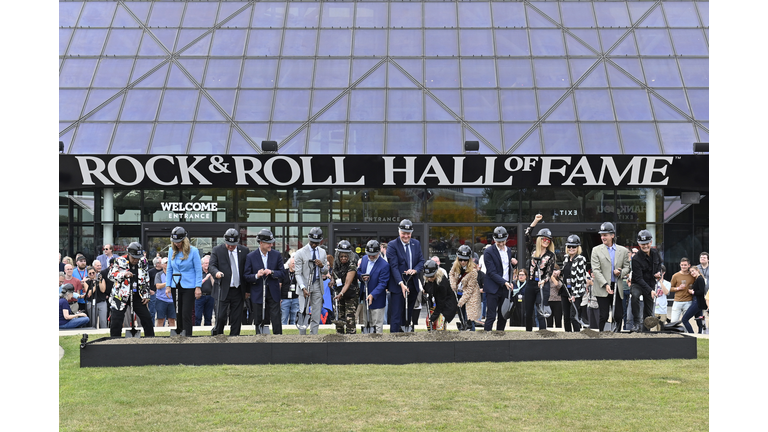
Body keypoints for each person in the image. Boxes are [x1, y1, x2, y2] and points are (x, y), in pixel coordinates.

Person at [107, 242, 155, 337]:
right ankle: (114, 342)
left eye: (138, 257)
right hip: (120, 296)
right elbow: (111, 275)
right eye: (133, 257)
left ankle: (151, 340)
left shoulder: (143, 261)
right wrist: (123, 274)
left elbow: (146, 278)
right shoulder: (119, 261)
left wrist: (146, 295)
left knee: (147, 318)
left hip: (137, 295)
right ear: (128, 254)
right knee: (116, 320)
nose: (136, 260)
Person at [590, 221, 631, 332]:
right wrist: (605, 284)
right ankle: (601, 337)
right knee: (603, 315)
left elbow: (627, 267)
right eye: (602, 235)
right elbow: (596, 270)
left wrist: (620, 272)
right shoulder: (596, 250)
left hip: (617, 286)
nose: (603, 237)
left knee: (618, 315)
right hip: (602, 287)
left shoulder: (622, 251)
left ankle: (616, 336)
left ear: (612, 235)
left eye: (605, 235)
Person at [209, 228, 250, 335]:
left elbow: (247, 270)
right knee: (221, 316)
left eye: (233, 244)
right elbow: (212, 265)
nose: (231, 246)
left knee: (236, 317)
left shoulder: (244, 251)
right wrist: (216, 273)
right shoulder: (217, 250)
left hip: (238, 290)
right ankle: (218, 336)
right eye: (228, 244)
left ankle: (234, 338)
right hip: (222, 288)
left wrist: (247, 290)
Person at [386, 219, 425, 333]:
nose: (406, 236)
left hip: (412, 283)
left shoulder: (416, 244)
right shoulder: (392, 245)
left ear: (411, 233)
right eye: (403, 233)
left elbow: (421, 261)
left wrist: (415, 270)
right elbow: (393, 266)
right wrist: (401, 284)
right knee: (397, 314)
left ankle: (406, 339)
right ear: (399, 232)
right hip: (398, 285)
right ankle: (394, 338)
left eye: (408, 233)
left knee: (408, 313)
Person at [245, 229, 285, 334]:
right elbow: (246, 276)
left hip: (273, 291)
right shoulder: (251, 256)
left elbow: (282, 273)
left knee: (276, 317)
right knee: (258, 317)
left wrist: (272, 272)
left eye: (271, 243)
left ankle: (278, 338)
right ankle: (259, 338)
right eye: (268, 243)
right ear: (261, 243)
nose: (271, 245)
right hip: (258, 292)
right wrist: (257, 275)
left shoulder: (276, 255)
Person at [166, 226, 202, 337]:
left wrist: (198, 287)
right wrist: (168, 286)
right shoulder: (171, 250)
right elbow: (169, 269)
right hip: (175, 285)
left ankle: (188, 336)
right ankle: (179, 334)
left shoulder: (193, 251)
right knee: (178, 312)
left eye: (179, 242)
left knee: (186, 313)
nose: (177, 244)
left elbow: (198, 270)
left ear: (184, 240)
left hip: (189, 286)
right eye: (175, 242)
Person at [523, 216, 557, 331]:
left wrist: (543, 281)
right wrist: (536, 221)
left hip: (542, 285)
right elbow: (526, 234)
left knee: (540, 311)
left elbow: (549, 272)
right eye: (544, 239)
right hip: (531, 284)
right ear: (539, 239)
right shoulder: (533, 250)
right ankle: (528, 333)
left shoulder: (551, 255)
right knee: (528, 312)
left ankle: (543, 333)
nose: (546, 241)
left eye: (548, 240)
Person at [293, 227, 329, 335]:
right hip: (304, 285)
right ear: (309, 239)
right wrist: (303, 287)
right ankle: (302, 337)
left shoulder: (322, 252)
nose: (314, 244)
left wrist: (322, 266)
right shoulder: (300, 253)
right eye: (313, 242)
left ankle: (314, 336)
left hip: (317, 284)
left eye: (317, 242)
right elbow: (297, 273)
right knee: (303, 311)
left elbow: (326, 270)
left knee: (316, 313)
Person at [482, 226, 515, 331]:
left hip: (505, 288)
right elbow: (491, 272)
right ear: (494, 239)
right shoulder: (488, 252)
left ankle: (500, 336)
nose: (501, 243)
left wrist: (510, 281)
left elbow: (507, 268)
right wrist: (504, 282)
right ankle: (486, 338)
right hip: (493, 288)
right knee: (491, 316)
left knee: (503, 315)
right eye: (498, 241)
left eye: (503, 241)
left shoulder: (509, 251)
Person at [630, 230, 663, 332]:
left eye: (647, 243)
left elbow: (659, 266)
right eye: (642, 244)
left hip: (650, 283)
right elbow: (639, 279)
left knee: (648, 310)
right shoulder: (635, 259)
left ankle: (646, 330)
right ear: (639, 244)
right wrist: (650, 290)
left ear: (651, 242)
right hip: (638, 284)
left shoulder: (655, 253)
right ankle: (636, 322)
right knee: (635, 296)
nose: (645, 246)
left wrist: (658, 274)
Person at [357, 240, 390, 333]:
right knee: (366, 322)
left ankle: (377, 344)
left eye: (374, 255)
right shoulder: (364, 259)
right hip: (365, 296)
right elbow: (358, 271)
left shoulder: (384, 265)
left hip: (377, 299)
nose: (371, 257)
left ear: (379, 252)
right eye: (369, 254)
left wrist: (372, 295)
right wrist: (362, 276)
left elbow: (383, 283)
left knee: (376, 325)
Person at [331, 240, 359, 334]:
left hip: (350, 294)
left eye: (345, 256)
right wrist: (332, 281)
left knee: (349, 318)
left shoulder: (352, 265)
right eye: (341, 256)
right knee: (339, 317)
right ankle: (339, 338)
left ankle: (351, 339)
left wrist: (341, 293)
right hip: (339, 294)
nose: (343, 258)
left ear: (349, 256)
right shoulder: (336, 264)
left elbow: (347, 282)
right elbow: (334, 275)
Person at [450, 245, 480, 331]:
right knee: (462, 318)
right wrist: (453, 284)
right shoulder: (455, 266)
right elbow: (451, 274)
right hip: (459, 294)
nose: (463, 262)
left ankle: (472, 338)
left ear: (469, 259)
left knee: (469, 319)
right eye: (460, 259)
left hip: (470, 298)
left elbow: (470, 289)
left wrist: (461, 302)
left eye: (465, 260)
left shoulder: (473, 271)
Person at [561, 235, 587, 332]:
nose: (571, 248)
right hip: (565, 290)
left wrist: (574, 295)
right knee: (566, 317)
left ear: (578, 248)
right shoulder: (566, 258)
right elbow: (566, 273)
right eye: (569, 246)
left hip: (576, 291)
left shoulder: (581, 259)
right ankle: (568, 338)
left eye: (574, 246)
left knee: (574, 316)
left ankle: (577, 337)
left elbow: (580, 278)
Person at [422, 259, 457, 330]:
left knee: (439, 324)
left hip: (447, 305)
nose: (429, 279)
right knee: (428, 322)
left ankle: (442, 338)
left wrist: (433, 317)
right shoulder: (428, 278)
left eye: (431, 276)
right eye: (427, 276)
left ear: (436, 273)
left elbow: (441, 303)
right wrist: (425, 290)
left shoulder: (442, 284)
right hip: (436, 304)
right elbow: (427, 287)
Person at [681, 266, 707, 333]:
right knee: (699, 322)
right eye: (691, 272)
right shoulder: (698, 279)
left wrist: (692, 292)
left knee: (684, 319)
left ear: (697, 270)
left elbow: (701, 291)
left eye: (693, 271)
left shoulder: (700, 279)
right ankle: (699, 335)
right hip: (698, 302)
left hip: (697, 302)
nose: (692, 273)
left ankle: (692, 334)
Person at [669, 258, 695, 324]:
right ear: (680, 265)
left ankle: (685, 334)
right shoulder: (675, 276)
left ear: (689, 265)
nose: (683, 266)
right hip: (677, 301)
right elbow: (670, 288)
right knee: (673, 322)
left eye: (685, 265)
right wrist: (678, 288)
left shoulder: (692, 275)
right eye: (682, 265)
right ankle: (674, 334)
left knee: (686, 322)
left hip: (688, 301)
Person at [154, 257, 176, 328]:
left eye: (168, 263)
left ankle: (173, 335)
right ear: (162, 265)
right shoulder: (159, 274)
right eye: (166, 263)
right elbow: (157, 286)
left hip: (172, 299)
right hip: (161, 299)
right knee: (161, 319)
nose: (167, 264)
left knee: (172, 319)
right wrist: (168, 283)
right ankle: (159, 336)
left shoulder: (175, 274)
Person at [195, 255, 215, 326]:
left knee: (208, 316)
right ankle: (197, 330)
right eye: (206, 263)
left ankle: (208, 330)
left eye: (208, 263)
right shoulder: (198, 273)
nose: (207, 265)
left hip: (210, 296)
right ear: (202, 264)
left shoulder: (212, 272)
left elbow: (214, 285)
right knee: (198, 316)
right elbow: (196, 284)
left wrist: (211, 277)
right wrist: (205, 278)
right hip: (200, 296)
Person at [281, 257, 300, 325]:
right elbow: (279, 285)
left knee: (294, 318)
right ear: (289, 264)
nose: (294, 265)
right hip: (285, 299)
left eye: (295, 263)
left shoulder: (298, 274)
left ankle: (293, 333)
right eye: (292, 263)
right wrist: (279, 298)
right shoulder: (284, 273)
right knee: (284, 318)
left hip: (295, 299)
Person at [653, 265, 671, 331]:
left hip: (662, 309)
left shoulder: (667, 283)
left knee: (661, 329)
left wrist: (660, 281)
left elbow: (666, 292)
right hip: (653, 308)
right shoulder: (652, 282)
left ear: (663, 273)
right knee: (653, 329)